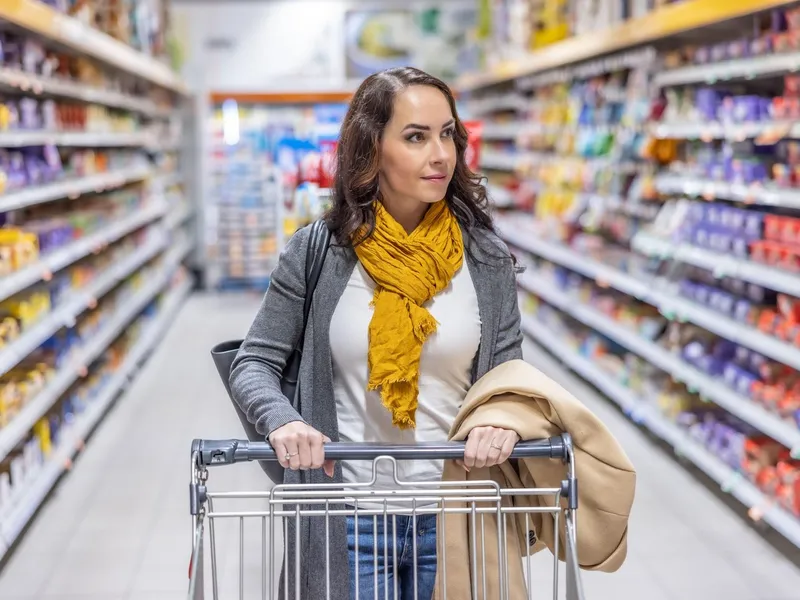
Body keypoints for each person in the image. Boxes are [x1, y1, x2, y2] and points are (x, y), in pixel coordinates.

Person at [229, 66, 524, 600]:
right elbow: (254, 363)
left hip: (456, 513)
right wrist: (285, 421)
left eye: (448, 134)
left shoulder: (485, 258)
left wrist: (502, 420)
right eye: (415, 137)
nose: (440, 154)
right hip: (350, 519)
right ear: (370, 149)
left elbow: (508, 379)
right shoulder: (320, 251)